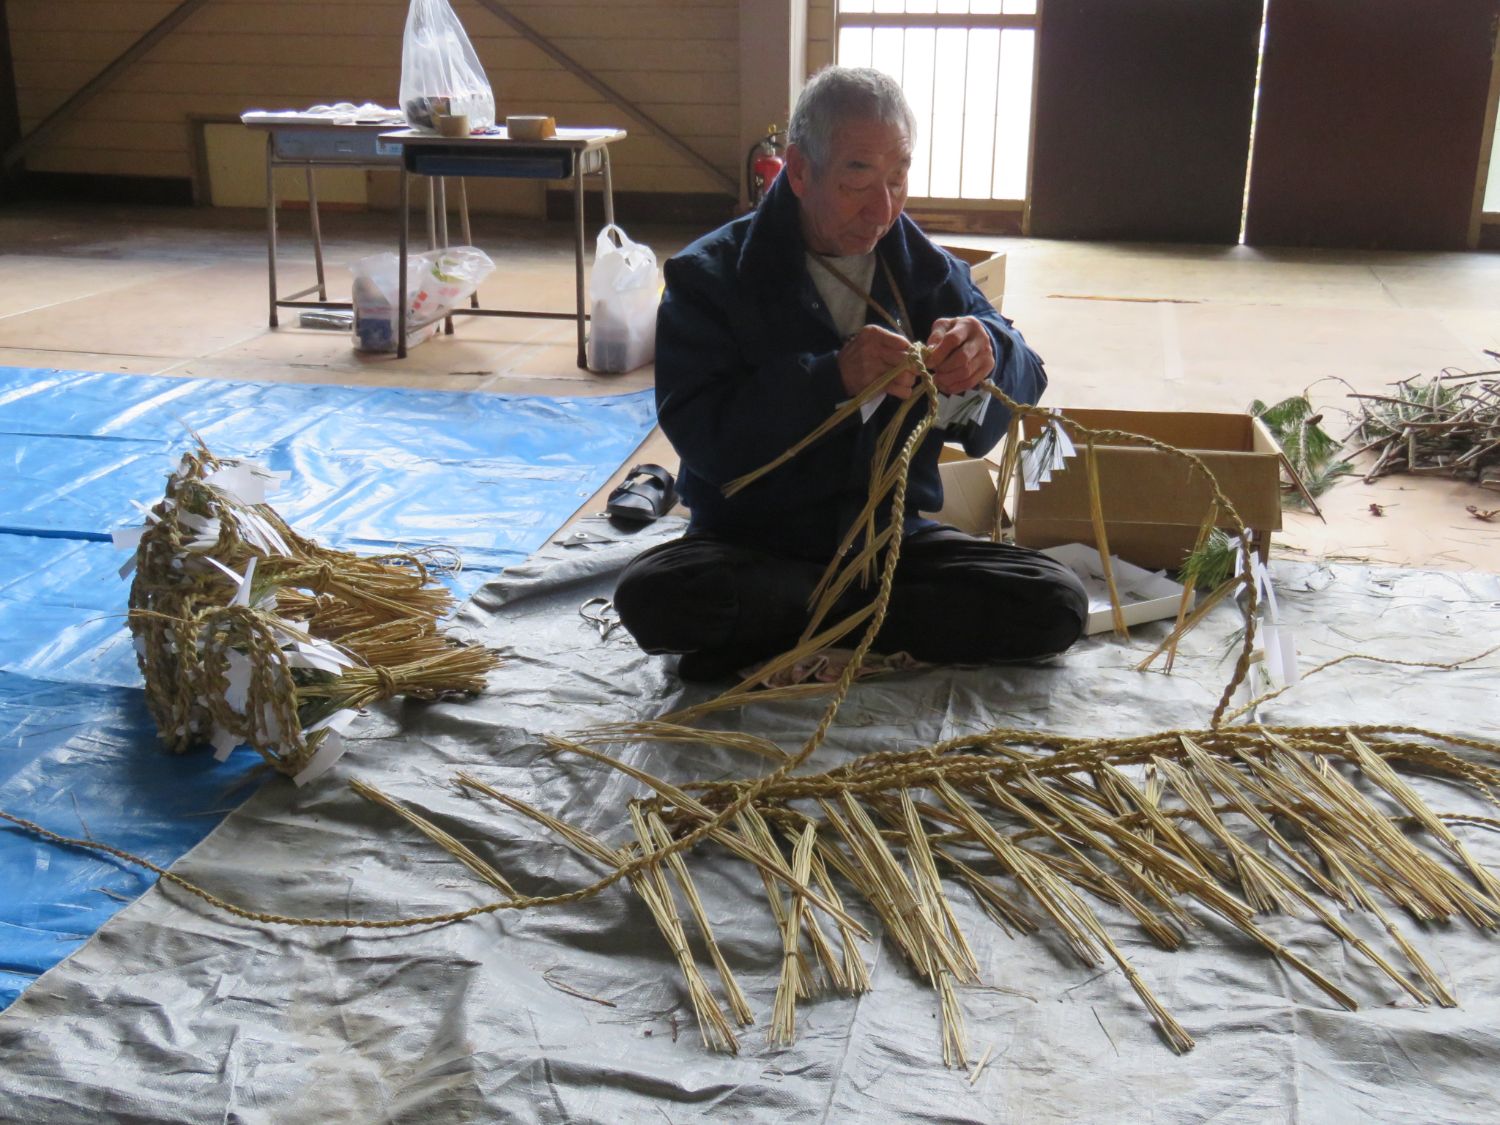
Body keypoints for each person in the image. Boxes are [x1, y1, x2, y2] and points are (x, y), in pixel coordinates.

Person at [614, 66, 1088, 681]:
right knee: (658, 596)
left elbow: (1026, 375)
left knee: (1054, 601)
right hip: (754, 546)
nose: (882, 208)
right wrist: (829, 379)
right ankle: (865, 628)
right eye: (859, 178)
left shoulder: (925, 271)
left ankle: (798, 632)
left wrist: (989, 350)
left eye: (899, 178)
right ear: (800, 170)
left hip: (889, 551)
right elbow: (702, 435)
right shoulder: (711, 277)